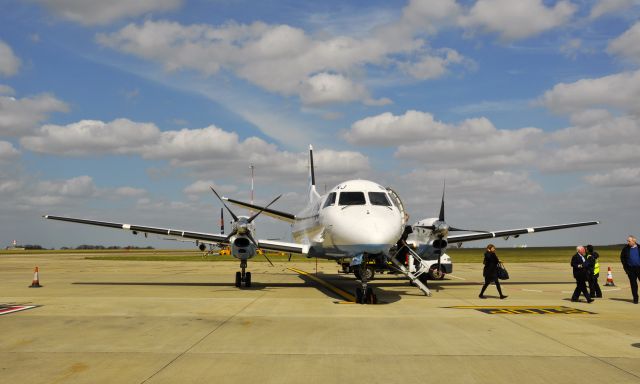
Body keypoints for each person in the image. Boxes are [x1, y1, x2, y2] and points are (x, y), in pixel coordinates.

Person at [620, 235, 640, 304]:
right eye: (627, 241)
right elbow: (622, 258)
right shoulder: (625, 249)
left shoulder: (639, 247)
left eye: (629, 241)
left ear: (634, 241)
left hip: (639, 268)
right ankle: (635, 299)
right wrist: (626, 268)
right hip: (631, 269)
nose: (628, 242)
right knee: (633, 284)